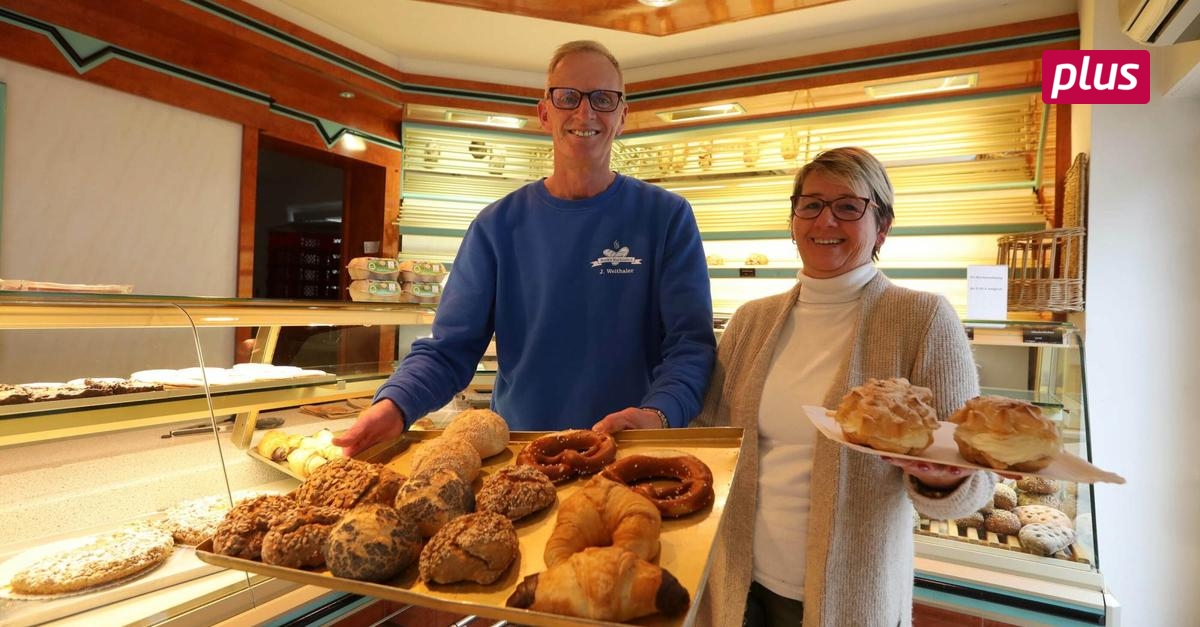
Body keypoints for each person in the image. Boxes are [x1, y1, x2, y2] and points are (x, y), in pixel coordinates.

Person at [335, 40, 715, 457]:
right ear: (544, 112)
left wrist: (658, 414)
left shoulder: (666, 217)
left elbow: (690, 347)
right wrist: (396, 405)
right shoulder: (497, 226)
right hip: (522, 454)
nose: (584, 113)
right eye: (568, 97)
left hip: (628, 451)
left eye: (603, 99)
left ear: (622, 116)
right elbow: (450, 350)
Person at [689, 147, 996, 626]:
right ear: (794, 220)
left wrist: (941, 477)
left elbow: (973, 476)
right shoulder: (751, 321)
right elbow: (711, 438)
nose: (825, 220)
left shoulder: (923, 318)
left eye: (848, 206)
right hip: (737, 583)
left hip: (851, 595)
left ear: (883, 226)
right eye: (810, 204)